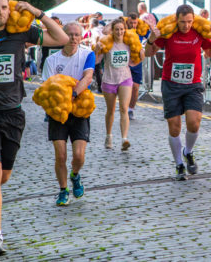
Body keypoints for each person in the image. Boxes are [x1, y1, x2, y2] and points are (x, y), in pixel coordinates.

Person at [0, 0, 68, 257]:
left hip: (13, 114)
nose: (0, 12)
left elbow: (62, 39)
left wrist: (38, 12)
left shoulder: (20, 33)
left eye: (4, 7)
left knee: (3, 176)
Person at [145, 4, 211, 180]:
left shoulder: (198, 33)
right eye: (182, 22)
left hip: (193, 84)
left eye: (189, 22)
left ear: (193, 20)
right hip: (171, 84)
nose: (186, 25)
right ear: (176, 20)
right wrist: (151, 39)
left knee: (194, 122)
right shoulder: (169, 33)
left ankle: (188, 151)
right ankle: (179, 164)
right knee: (175, 126)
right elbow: (148, 53)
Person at [41, 22, 95, 206]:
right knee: (61, 155)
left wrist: (71, 95)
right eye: (70, 35)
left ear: (81, 37)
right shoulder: (51, 61)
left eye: (77, 35)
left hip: (79, 111)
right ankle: (63, 190)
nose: (73, 38)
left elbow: (87, 77)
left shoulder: (87, 54)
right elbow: (46, 89)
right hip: (58, 114)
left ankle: (75, 175)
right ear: (62, 37)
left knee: (79, 156)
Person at [95, 18, 144, 151]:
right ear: (112, 31)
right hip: (109, 80)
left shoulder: (129, 44)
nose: (119, 32)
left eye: (122, 29)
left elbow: (134, 62)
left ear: (125, 30)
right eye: (117, 29)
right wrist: (96, 50)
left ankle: (124, 139)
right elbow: (96, 61)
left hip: (125, 79)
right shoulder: (107, 43)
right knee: (110, 111)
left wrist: (141, 55)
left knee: (123, 108)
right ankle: (109, 136)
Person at [125, 12, 145, 120]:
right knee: (124, 87)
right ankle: (123, 107)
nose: (133, 25)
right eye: (131, 23)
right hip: (125, 63)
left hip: (137, 63)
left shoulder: (141, 32)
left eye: (135, 23)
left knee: (136, 88)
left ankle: (131, 109)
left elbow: (152, 37)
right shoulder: (122, 31)